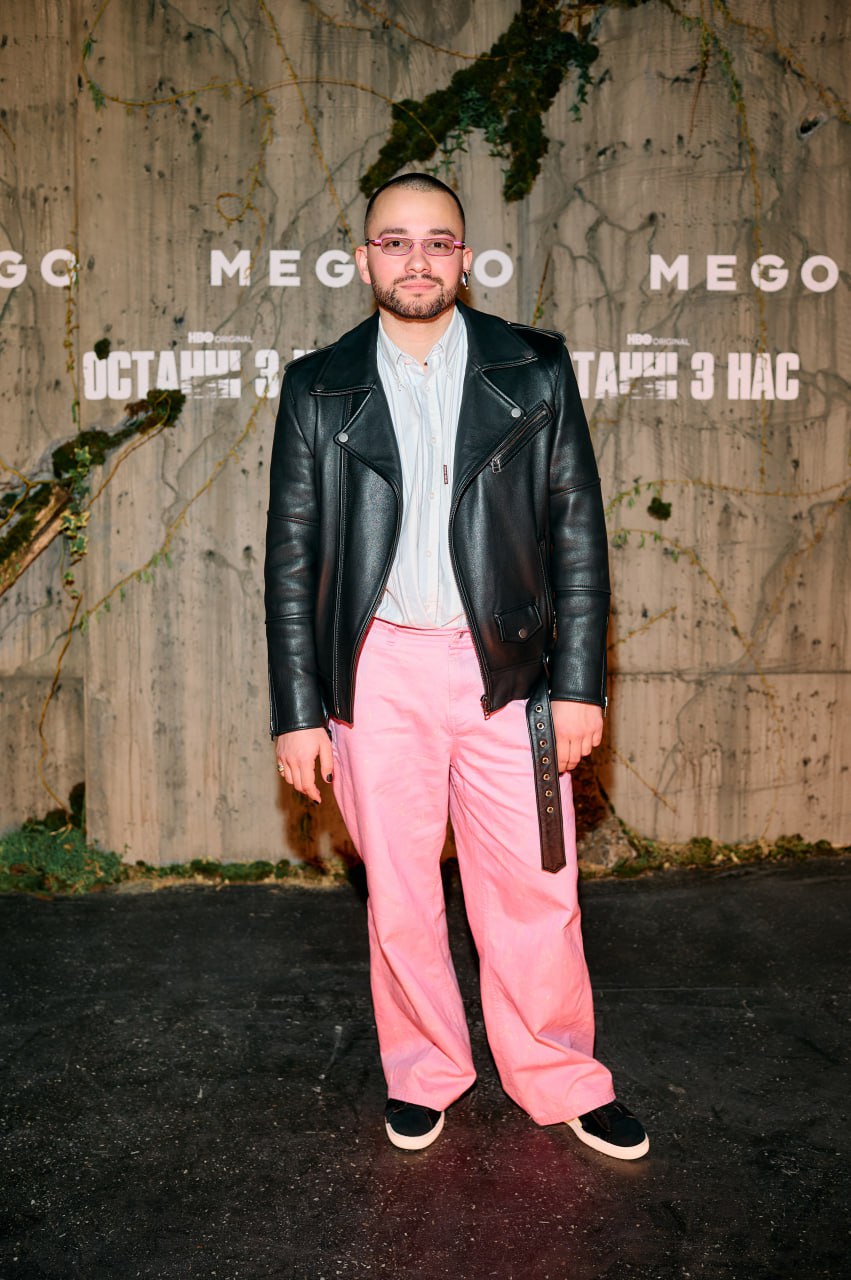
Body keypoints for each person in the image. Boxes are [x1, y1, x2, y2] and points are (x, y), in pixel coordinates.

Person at [265, 172, 649, 1160]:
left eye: (436, 241)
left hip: (508, 672)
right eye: (394, 241)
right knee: (398, 895)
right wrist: (297, 709)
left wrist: (578, 685)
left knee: (536, 888)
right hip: (374, 675)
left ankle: (560, 1074)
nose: (416, 259)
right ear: (365, 260)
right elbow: (292, 555)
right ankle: (424, 1071)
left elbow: (576, 529)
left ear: (464, 258)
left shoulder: (533, 367)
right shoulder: (317, 385)